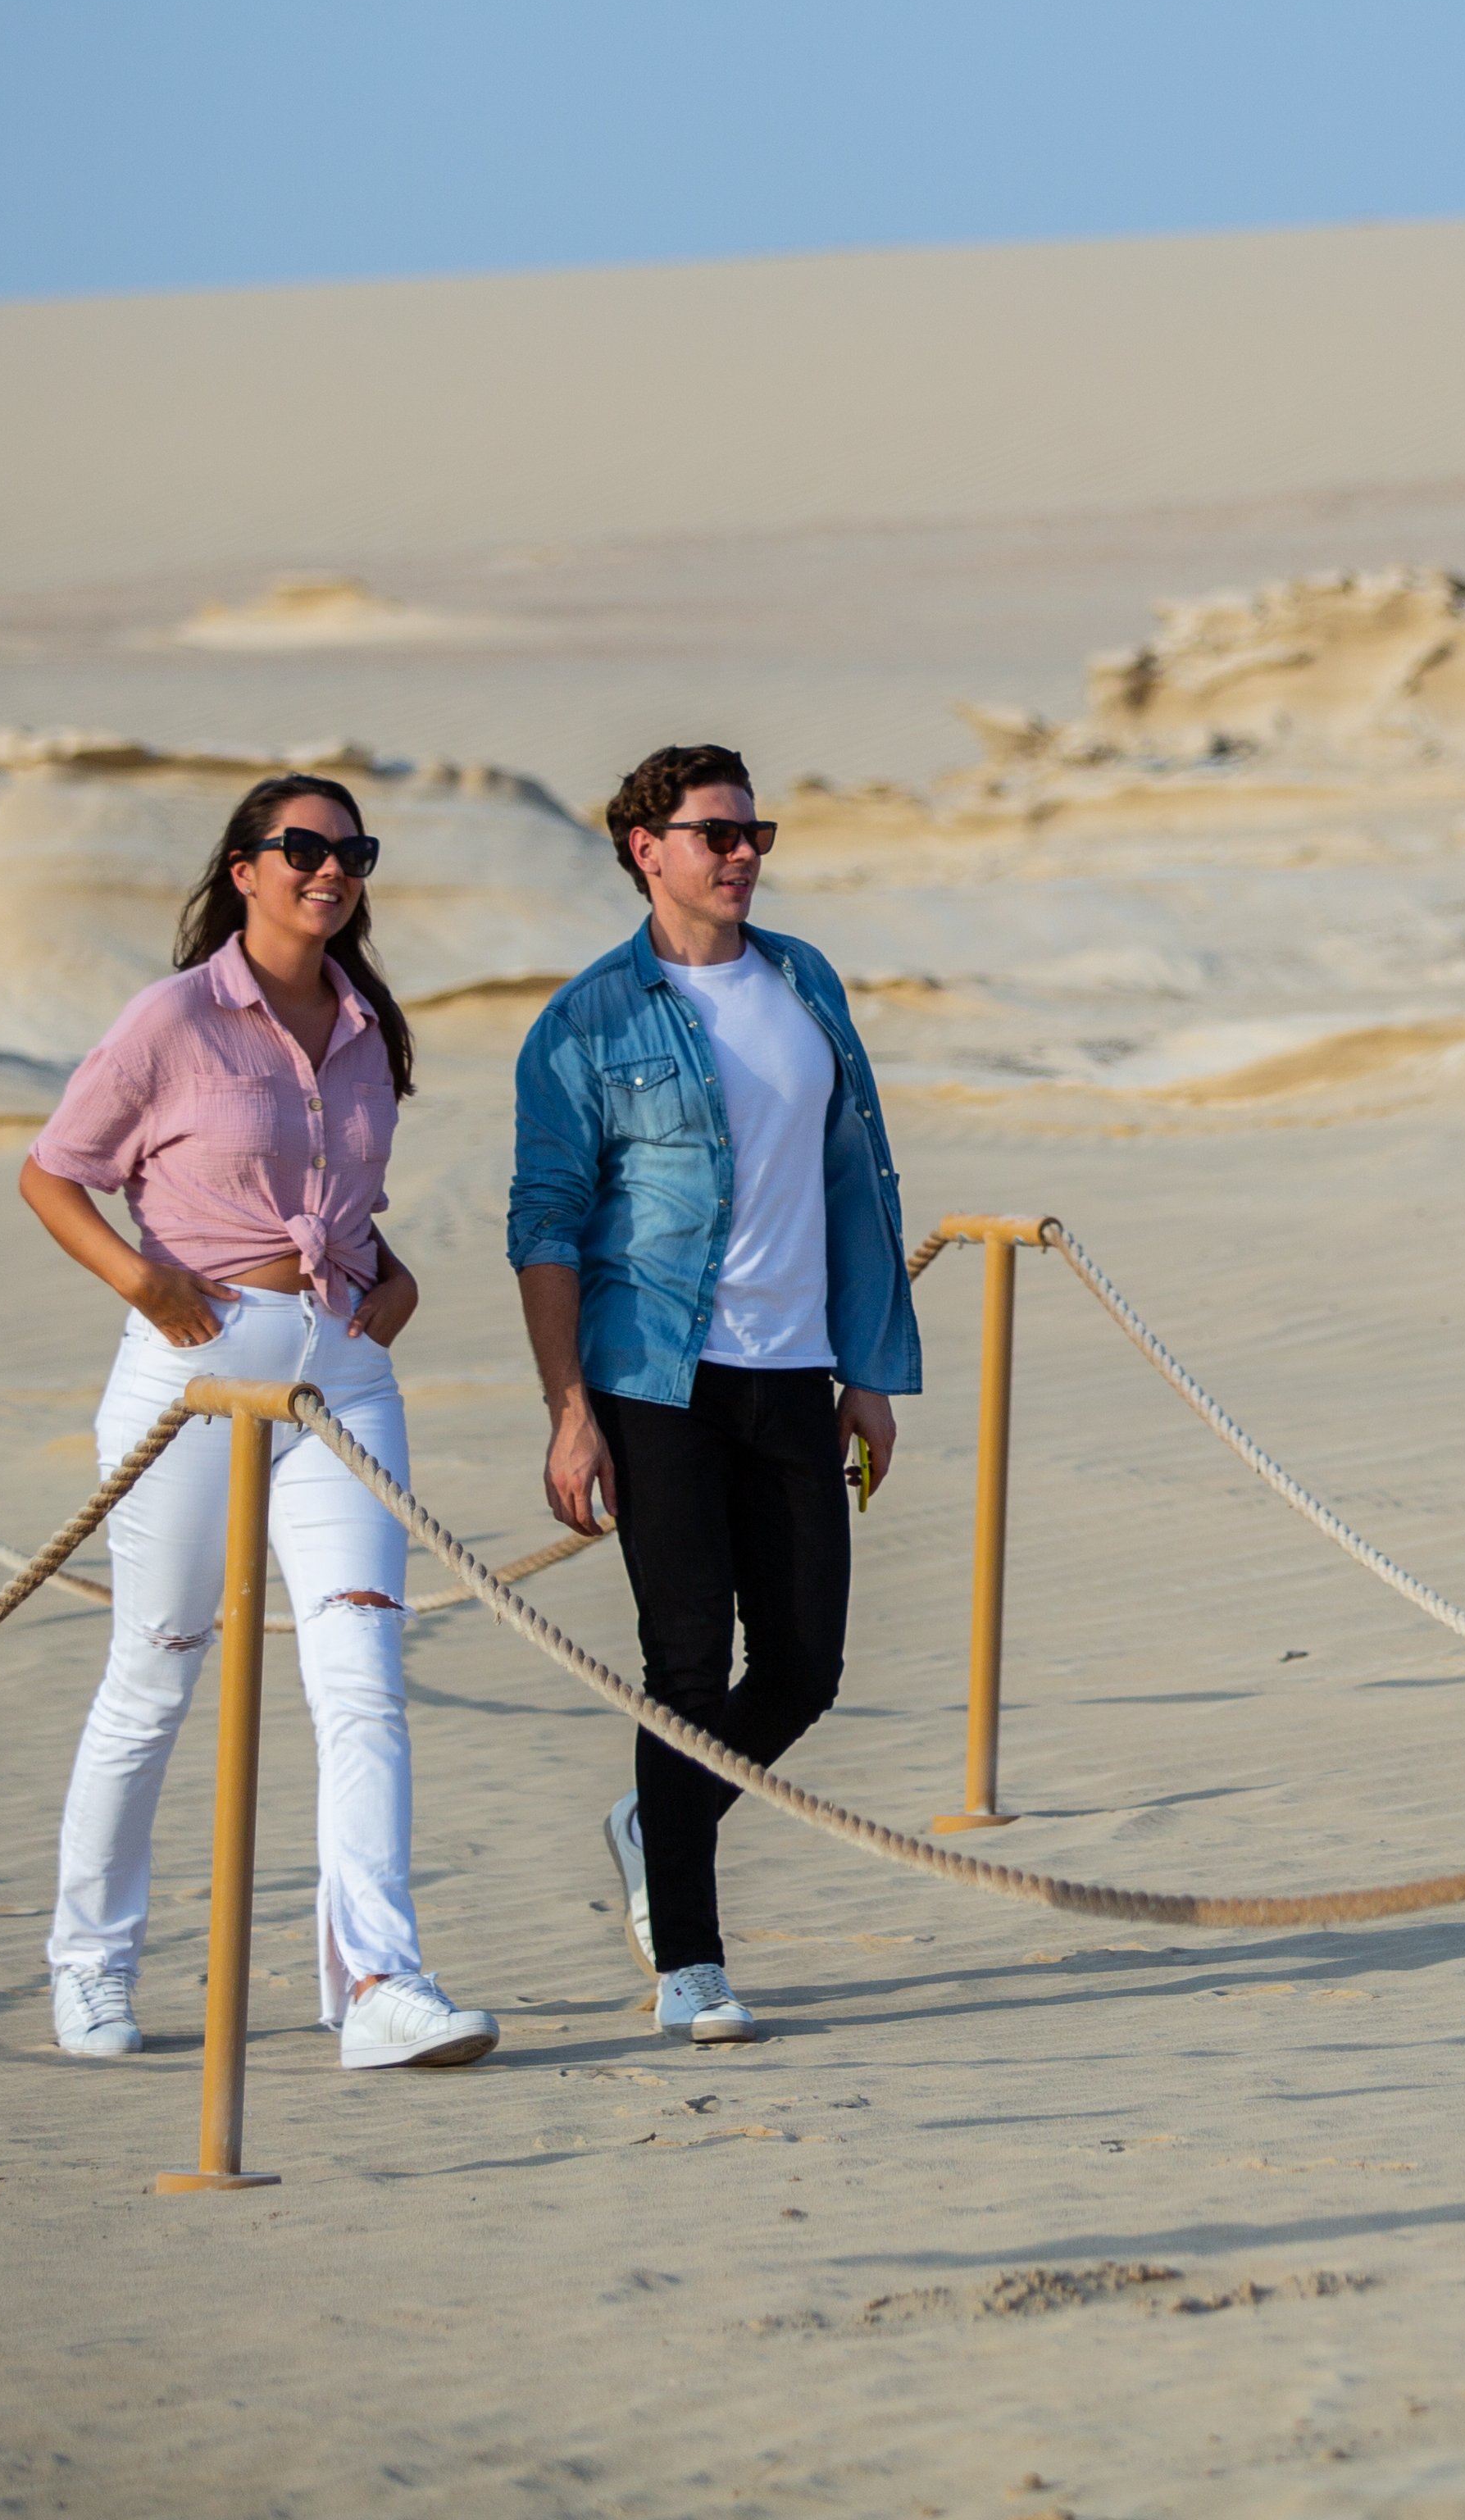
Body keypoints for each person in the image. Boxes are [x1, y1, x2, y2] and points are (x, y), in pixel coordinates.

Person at [16, 771, 499, 2073]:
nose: (330, 870)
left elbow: (341, 1198)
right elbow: (54, 1173)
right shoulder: (173, 1017)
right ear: (244, 868)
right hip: (192, 1376)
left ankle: (381, 1981)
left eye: (352, 851)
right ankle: (92, 1968)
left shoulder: (366, 1025)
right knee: (155, 1674)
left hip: (340, 1381)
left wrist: (386, 1284)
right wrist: (148, 1281)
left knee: (362, 1684)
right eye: (303, 849)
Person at [507, 743, 920, 2045]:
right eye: (716, 833)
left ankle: (655, 1820)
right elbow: (546, 1227)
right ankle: (688, 1959)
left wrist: (868, 1369)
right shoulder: (587, 1022)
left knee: (803, 1665)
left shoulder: (805, 981)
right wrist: (569, 1408)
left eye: (756, 833)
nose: (742, 854)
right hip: (655, 1377)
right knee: (685, 1665)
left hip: (797, 1369)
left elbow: (859, 1180)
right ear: (647, 848)